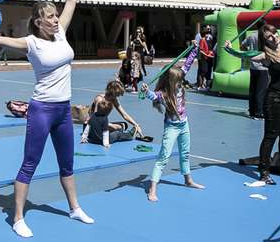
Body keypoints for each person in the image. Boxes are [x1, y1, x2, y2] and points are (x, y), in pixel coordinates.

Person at [0, 0, 94, 238]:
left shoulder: (61, 33)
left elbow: (72, 1)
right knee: (29, 163)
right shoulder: (31, 43)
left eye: (56, 16)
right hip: (41, 110)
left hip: (63, 111)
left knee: (67, 164)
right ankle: (18, 218)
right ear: (38, 22)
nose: (56, 20)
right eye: (50, 17)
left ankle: (74, 207)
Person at [228, 0, 280, 185]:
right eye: (269, 36)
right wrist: (230, 49)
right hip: (274, 99)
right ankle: (264, 171)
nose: (274, 37)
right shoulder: (265, 55)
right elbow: (244, 55)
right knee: (271, 136)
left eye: (274, 33)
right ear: (264, 40)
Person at [140, 67, 204, 201]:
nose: (181, 82)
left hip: (184, 124)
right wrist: (146, 91)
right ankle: (152, 189)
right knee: (164, 157)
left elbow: (187, 64)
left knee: (185, 153)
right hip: (172, 127)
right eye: (178, 80)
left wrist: (194, 47)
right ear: (170, 82)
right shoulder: (164, 94)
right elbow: (153, 95)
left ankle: (188, 180)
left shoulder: (179, 87)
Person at [82, 79, 143, 147]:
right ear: (113, 93)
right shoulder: (100, 100)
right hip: (91, 128)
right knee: (117, 132)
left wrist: (136, 125)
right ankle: (130, 135)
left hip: (98, 126)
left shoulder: (113, 99)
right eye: (117, 95)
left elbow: (124, 114)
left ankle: (112, 130)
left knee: (122, 126)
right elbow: (95, 119)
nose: (118, 97)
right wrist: (110, 126)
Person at [241, 29, 268, 119]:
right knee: (261, 91)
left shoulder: (252, 36)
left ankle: (252, 111)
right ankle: (259, 112)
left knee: (252, 90)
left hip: (253, 66)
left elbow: (242, 45)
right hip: (263, 66)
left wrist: (248, 54)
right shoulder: (265, 36)